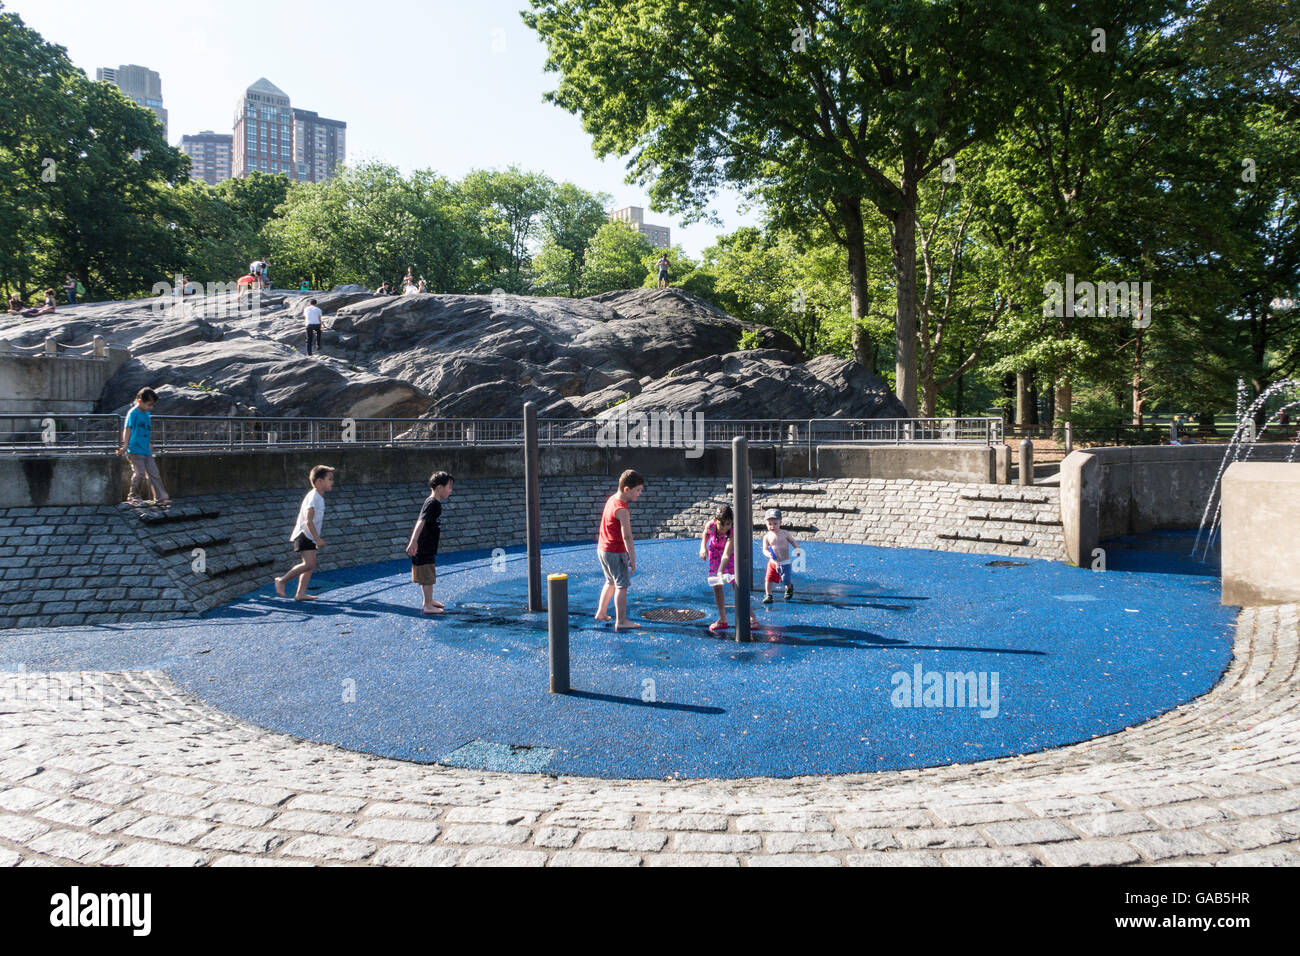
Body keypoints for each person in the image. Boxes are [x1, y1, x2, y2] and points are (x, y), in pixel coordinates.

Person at [275, 465, 335, 601]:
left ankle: (300, 593)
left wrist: (315, 538)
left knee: (310, 564)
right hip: (304, 535)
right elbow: (308, 521)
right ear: (319, 481)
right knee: (308, 564)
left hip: (309, 536)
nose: (332, 482)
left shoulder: (319, 497)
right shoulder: (314, 497)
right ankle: (282, 580)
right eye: (330, 479)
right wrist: (317, 539)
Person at [594, 469, 644, 630]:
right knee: (622, 586)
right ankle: (621, 621)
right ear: (627, 489)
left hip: (603, 549)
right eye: (638, 490)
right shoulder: (622, 509)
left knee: (610, 581)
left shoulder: (612, 499)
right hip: (615, 551)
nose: (640, 493)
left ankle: (601, 612)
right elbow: (627, 536)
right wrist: (632, 559)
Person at [700, 504, 757, 633]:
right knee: (717, 586)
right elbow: (705, 534)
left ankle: (752, 617)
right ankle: (723, 619)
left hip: (730, 556)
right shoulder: (710, 525)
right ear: (715, 521)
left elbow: (726, 555)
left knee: (737, 585)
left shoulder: (732, 532)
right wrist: (703, 547)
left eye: (728, 524)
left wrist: (720, 571)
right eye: (722, 524)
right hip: (714, 554)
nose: (725, 528)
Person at [405, 471, 454, 613]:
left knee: (427, 575)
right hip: (424, 546)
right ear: (439, 488)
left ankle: (429, 600)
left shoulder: (434, 503)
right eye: (449, 487)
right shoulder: (432, 503)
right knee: (428, 577)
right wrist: (414, 541)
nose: (451, 490)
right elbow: (421, 521)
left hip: (427, 546)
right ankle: (427, 605)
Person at [117, 387, 171, 506]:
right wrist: (125, 446)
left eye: (152, 405)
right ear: (140, 401)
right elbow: (127, 429)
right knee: (139, 473)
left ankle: (160, 497)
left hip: (145, 449)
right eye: (149, 405)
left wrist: (149, 443)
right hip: (135, 449)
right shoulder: (133, 413)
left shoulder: (146, 414)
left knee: (154, 473)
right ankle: (133, 496)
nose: (151, 408)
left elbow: (146, 430)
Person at [761, 509, 802, 603]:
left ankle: (789, 587)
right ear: (766, 523)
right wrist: (768, 554)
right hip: (772, 563)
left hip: (785, 562)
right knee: (768, 579)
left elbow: (792, 541)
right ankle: (768, 595)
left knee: (785, 580)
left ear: (780, 522)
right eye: (769, 524)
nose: (772, 526)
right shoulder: (767, 537)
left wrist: (797, 548)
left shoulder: (784, 533)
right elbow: (764, 549)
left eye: (775, 523)